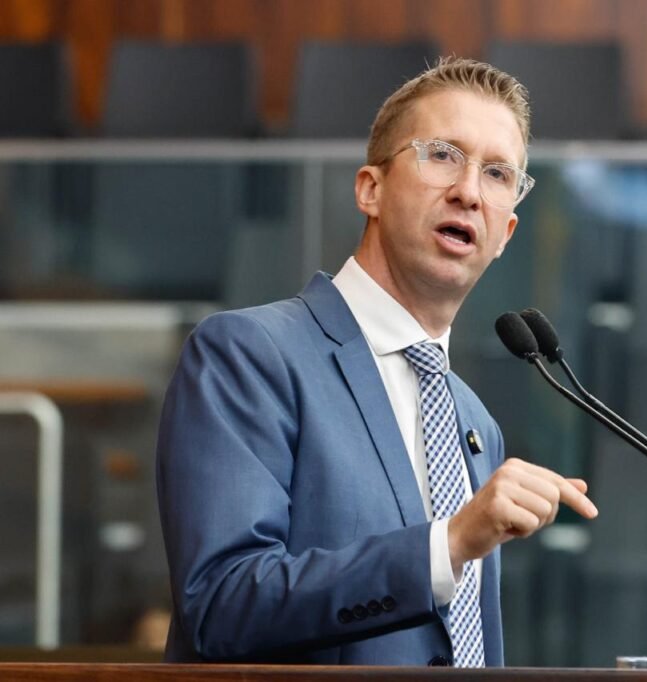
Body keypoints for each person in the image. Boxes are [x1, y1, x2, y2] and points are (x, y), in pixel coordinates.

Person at [156, 57, 598, 666]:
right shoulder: (250, 355)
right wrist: (447, 545)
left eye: (497, 173)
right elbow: (222, 604)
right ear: (371, 188)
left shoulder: (475, 424)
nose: (469, 191)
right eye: (442, 154)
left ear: (506, 235)